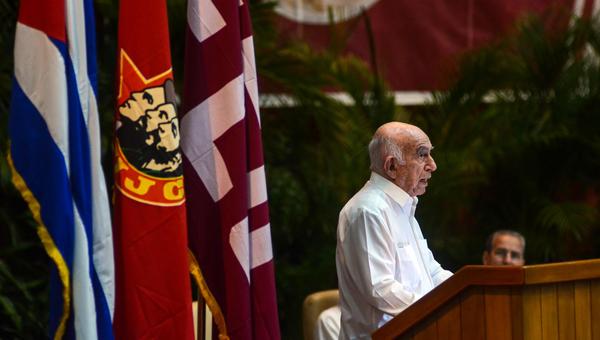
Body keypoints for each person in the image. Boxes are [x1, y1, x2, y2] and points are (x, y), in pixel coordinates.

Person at [335, 122, 452, 339]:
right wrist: (439, 308)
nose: (433, 165)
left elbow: (432, 273)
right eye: (422, 155)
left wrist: (466, 292)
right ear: (391, 166)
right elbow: (380, 289)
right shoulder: (368, 211)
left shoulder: (403, 207)